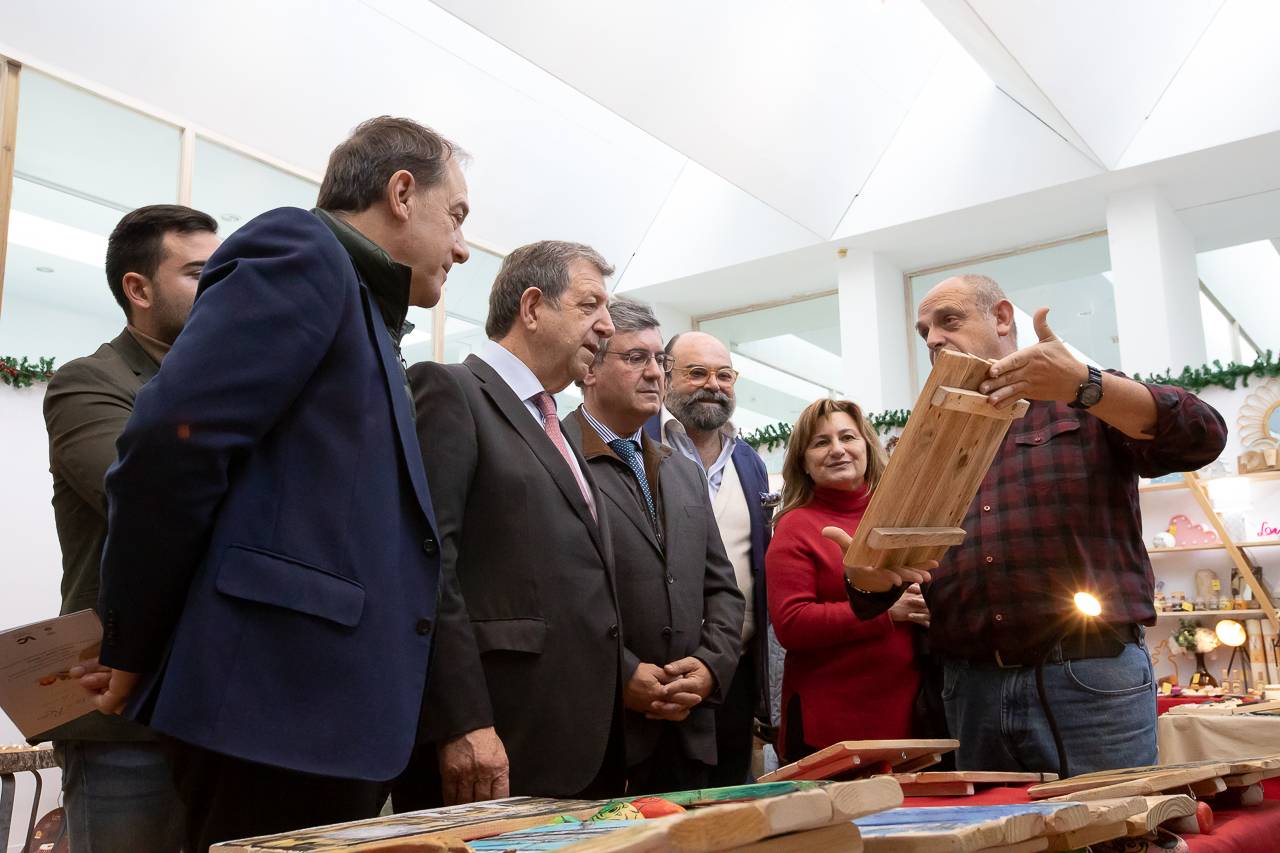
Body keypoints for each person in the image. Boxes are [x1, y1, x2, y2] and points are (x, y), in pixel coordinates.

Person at [84, 117, 502, 850]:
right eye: (458, 216)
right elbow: (169, 441)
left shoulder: (367, 313)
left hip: (316, 717)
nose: (463, 246)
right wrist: (132, 640)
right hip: (270, 712)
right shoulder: (301, 249)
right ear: (402, 192)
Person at [844, 274, 1228, 775]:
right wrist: (865, 576)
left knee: (1116, 834)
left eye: (949, 320)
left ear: (1002, 318)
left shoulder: (1086, 402)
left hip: (1089, 675)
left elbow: (1203, 436)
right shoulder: (920, 442)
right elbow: (875, 587)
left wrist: (1086, 386)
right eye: (925, 332)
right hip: (971, 687)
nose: (934, 338)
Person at [403, 240, 625, 803]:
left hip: (581, 741)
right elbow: (427, 565)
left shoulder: (564, 427)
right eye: (590, 305)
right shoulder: (451, 391)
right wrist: (462, 721)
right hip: (495, 739)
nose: (606, 327)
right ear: (532, 307)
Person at [42, 204, 219, 852]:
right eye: (201, 272)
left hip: (223, 712)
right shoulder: (90, 383)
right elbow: (155, 502)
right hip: (127, 722)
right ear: (138, 289)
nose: (221, 287)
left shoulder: (231, 388)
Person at [561, 297, 745, 794]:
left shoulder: (682, 470)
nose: (654, 375)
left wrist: (710, 666)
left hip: (687, 734)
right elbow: (551, 594)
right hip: (600, 733)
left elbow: (723, 590)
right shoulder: (555, 457)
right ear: (590, 369)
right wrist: (622, 674)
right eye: (634, 358)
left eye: (658, 362)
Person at [766, 399, 927, 762]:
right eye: (821, 442)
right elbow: (792, 625)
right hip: (831, 725)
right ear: (803, 463)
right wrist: (886, 613)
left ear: (866, 447)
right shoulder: (795, 527)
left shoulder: (899, 520)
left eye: (847, 437)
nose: (837, 450)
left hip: (911, 713)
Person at [645, 331, 771, 786]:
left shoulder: (750, 463)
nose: (713, 384)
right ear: (663, 376)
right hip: (657, 683)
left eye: (724, 375)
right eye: (696, 372)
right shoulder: (634, 445)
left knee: (732, 810)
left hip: (731, 677)